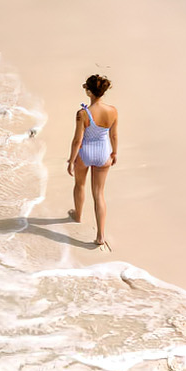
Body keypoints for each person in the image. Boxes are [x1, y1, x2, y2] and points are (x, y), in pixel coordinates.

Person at [66, 73, 118, 248]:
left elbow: (77, 140)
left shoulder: (83, 113)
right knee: (99, 195)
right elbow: (114, 135)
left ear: (89, 92)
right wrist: (115, 153)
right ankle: (100, 236)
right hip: (104, 153)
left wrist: (71, 160)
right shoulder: (112, 111)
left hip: (85, 153)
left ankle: (78, 215)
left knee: (80, 185)